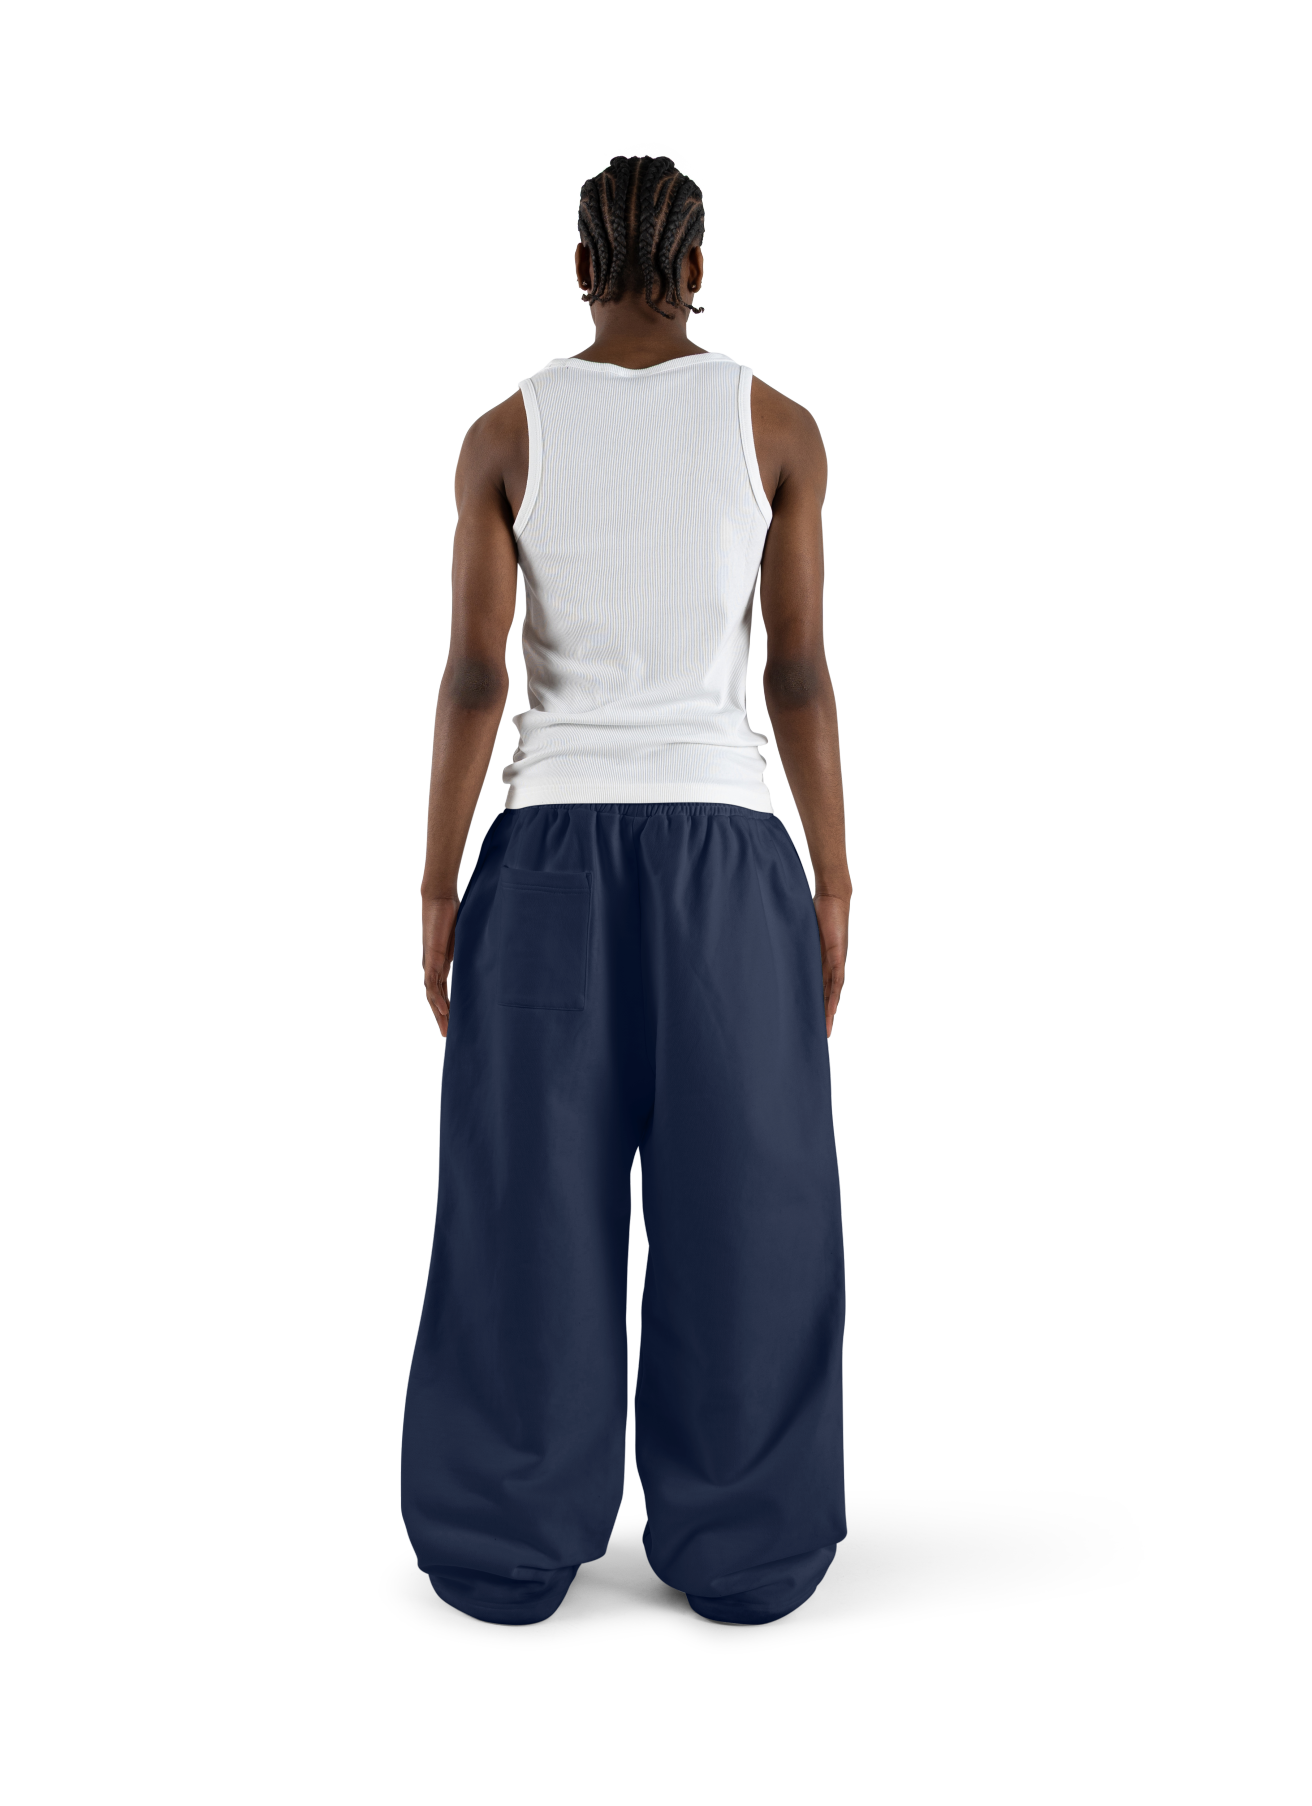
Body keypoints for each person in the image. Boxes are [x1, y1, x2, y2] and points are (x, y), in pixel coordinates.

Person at [402, 148, 852, 1627]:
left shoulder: (507, 437)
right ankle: (750, 1551)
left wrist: (439, 880)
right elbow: (797, 674)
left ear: (584, 270)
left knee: (525, 1202)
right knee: (752, 1199)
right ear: (698, 269)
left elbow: (476, 679)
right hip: (728, 851)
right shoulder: (776, 431)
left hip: (544, 858)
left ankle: (500, 1546)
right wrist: (832, 878)